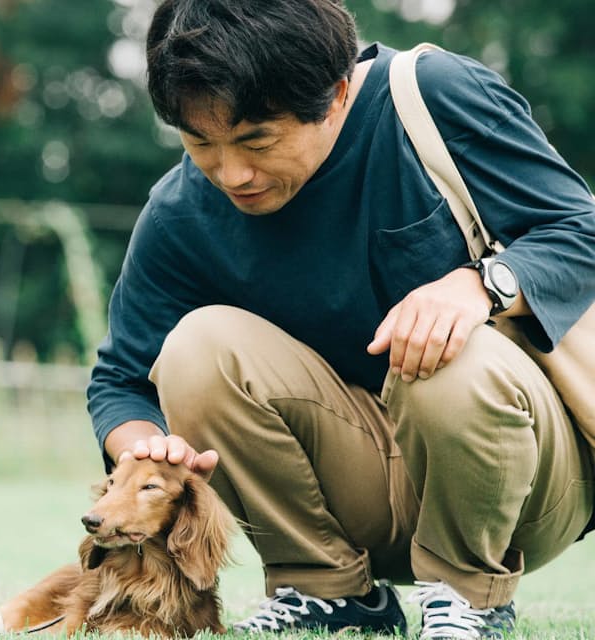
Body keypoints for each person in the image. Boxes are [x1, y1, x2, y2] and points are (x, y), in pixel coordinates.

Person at [88, 0, 595, 637]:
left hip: (522, 480)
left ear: (337, 93)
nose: (231, 173)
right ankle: (326, 592)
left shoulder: (432, 97)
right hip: (359, 485)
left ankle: (471, 598)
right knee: (196, 346)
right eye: (200, 143)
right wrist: (144, 446)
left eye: (256, 140)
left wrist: (479, 286)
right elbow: (121, 380)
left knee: (444, 345)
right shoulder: (180, 211)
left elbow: (581, 229)